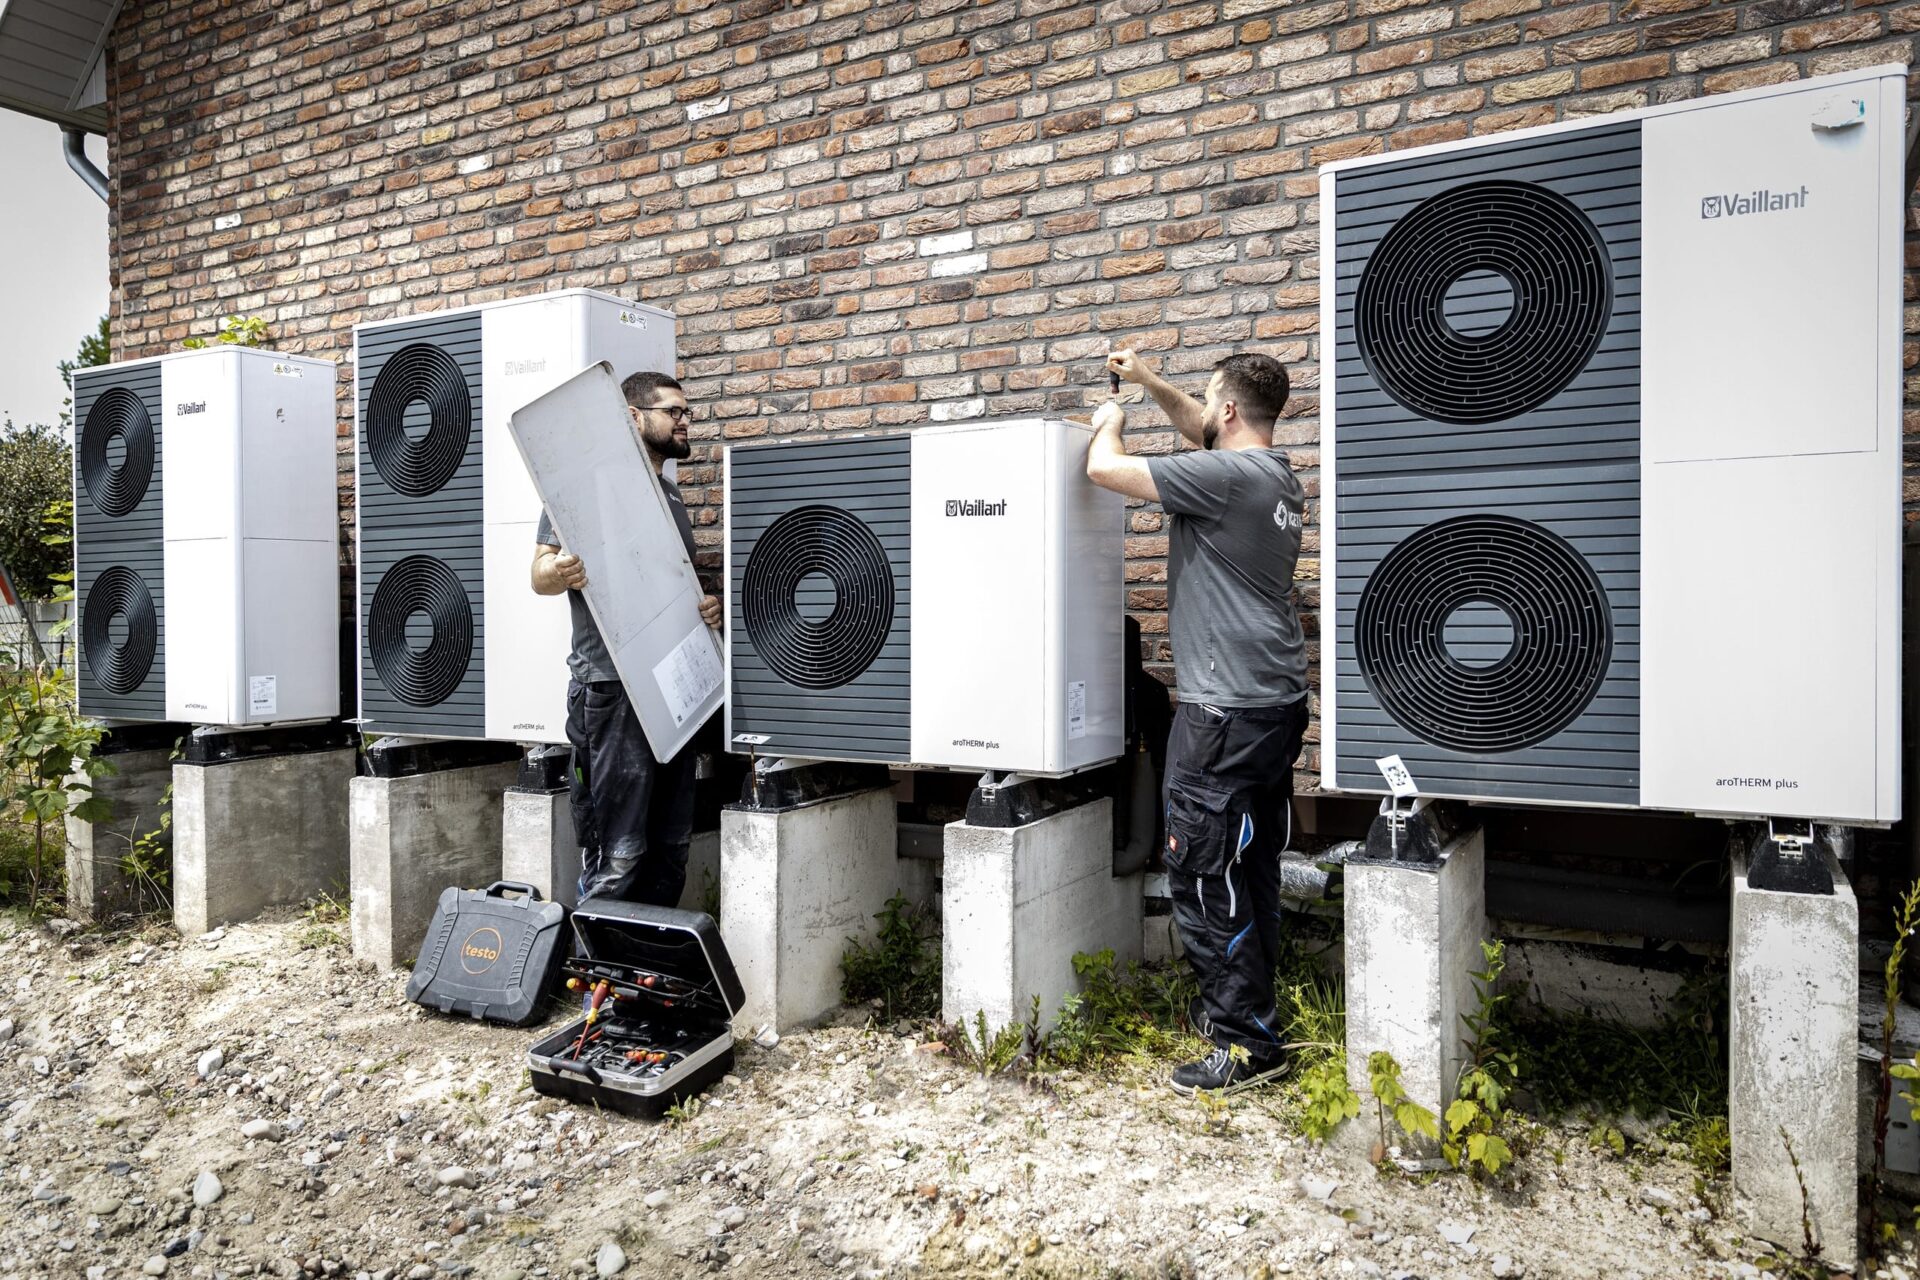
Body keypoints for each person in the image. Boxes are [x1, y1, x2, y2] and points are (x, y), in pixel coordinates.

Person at [1086, 348, 1309, 1095]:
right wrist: (1151, 381)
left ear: (1231, 412)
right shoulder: (1273, 478)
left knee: (1203, 870)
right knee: (1248, 865)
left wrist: (1112, 419)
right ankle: (1257, 1018)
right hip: (1272, 705)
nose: (1201, 417)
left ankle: (1244, 1044)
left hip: (1222, 714)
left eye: (1209, 405)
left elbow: (1106, 471)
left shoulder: (1226, 479)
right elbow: (1198, 428)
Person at [531, 370, 723, 907]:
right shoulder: (586, 488)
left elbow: (671, 587)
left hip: (671, 691)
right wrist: (563, 569)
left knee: (670, 847)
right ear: (635, 417)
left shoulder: (671, 495)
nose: (685, 421)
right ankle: (600, 982)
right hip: (611, 690)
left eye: (686, 412)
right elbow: (539, 575)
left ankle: (644, 975)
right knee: (618, 852)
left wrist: (706, 609)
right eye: (674, 412)